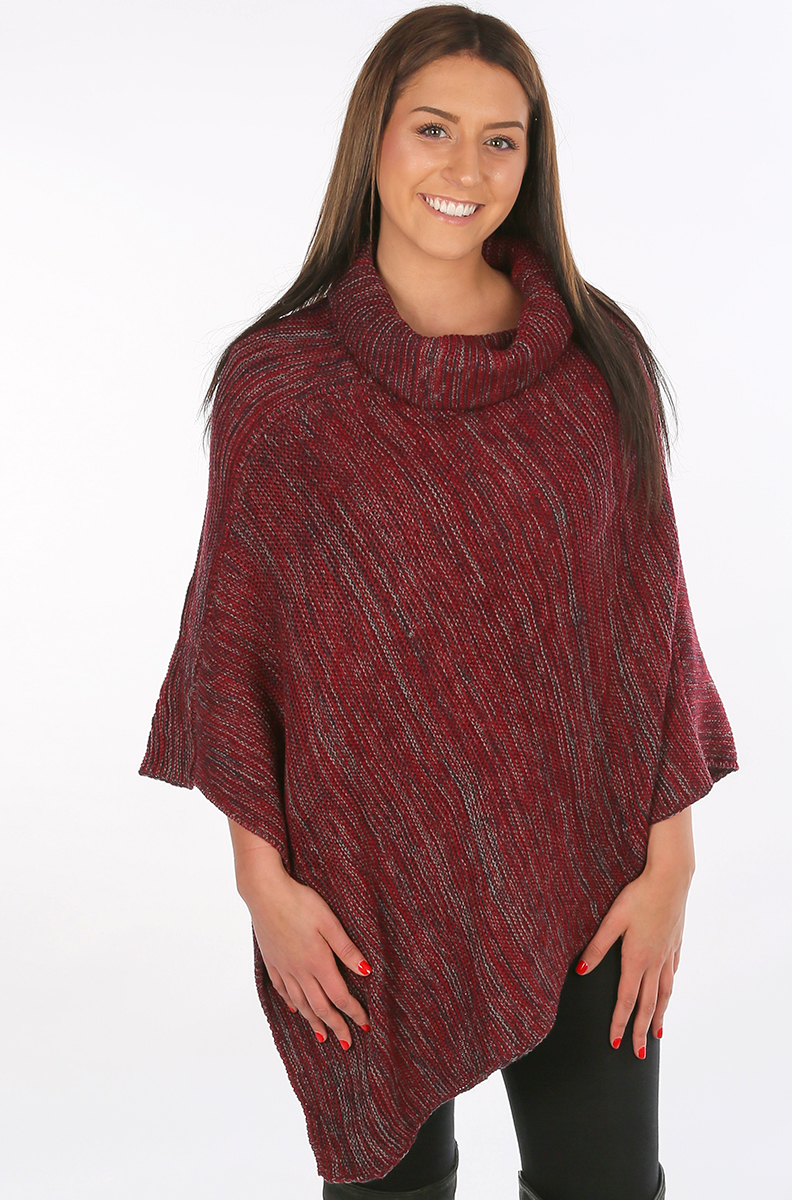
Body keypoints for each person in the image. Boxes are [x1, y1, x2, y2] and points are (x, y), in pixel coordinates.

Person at [138, 6, 738, 1199]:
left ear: (532, 160)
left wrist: (671, 867)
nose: (467, 168)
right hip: (358, 883)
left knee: (607, 1186)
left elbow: (653, 624)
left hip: (588, 866)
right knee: (389, 1188)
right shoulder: (278, 384)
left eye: (501, 140)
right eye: (434, 129)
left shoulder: (598, 361)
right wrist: (264, 887)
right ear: (375, 138)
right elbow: (235, 652)